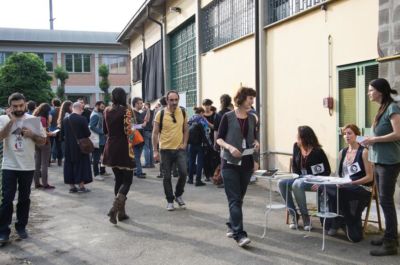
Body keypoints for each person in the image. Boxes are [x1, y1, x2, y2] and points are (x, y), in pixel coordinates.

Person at [0, 93, 46, 244]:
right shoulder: (3, 119)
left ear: (25, 104)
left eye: (21, 105)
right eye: (15, 106)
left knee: (24, 198)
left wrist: (32, 134)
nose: (18, 108)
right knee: (7, 200)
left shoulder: (33, 120)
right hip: (9, 165)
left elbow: (43, 141)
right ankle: (3, 231)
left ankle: (21, 227)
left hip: (27, 166)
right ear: (10, 106)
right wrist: (11, 122)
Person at [216, 86, 259, 247]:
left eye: (253, 98)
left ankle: (231, 224)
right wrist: (230, 147)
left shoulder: (252, 118)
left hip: (246, 163)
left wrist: (256, 149)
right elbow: (219, 139)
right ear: (241, 99)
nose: (252, 101)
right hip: (229, 163)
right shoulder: (227, 117)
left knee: (238, 199)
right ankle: (239, 234)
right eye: (250, 98)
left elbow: (253, 138)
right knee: (234, 199)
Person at [361, 78, 400, 256]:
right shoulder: (382, 108)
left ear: (380, 91)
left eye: (371, 90)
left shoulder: (392, 107)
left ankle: (391, 243)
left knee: (386, 201)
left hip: (389, 163)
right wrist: (369, 143)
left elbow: (398, 134)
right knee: (384, 201)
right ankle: (389, 236)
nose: (369, 93)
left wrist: (374, 139)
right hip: (379, 161)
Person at [324, 124, 373, 242]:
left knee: (340, 191)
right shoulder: (343, 152)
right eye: (345, 134)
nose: (346, 136)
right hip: (344, 186)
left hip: (361, 187)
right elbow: (338, 174)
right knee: (325, 187)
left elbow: (369, 177)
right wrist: (336, 181)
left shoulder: (364, 152)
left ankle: (340, 221)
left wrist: (353, 183)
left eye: (350, 133)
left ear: (357, 135)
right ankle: (337, 219)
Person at [278, 126, 331, 231]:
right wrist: (296, 176)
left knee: (297, 184)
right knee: (281, 182)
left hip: (313, 181)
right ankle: (294, 214)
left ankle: (305, 217)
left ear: (305, 138)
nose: (297, 138)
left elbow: (327, 171)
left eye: (299, 136)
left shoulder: (317, 152)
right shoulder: (296, 147)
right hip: (299, 177)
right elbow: (295, 166)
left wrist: (320, 183)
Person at [102, 87, 136, 224]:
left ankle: (121, 213)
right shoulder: (126, 111)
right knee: (127, 181)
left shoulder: (106, 110)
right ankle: (115, 209)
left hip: (110, 147)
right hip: (124, 148)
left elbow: (105, 130)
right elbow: (129, 132)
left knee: (118, 180)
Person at [152, 90, 188, 211]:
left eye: (176, 100)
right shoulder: (160, 114)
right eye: (171, 100)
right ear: (167, 101)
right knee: (166, 177)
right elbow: (155, 133)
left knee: (183, 173)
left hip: (179, 150)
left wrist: (184, 143)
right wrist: (155, 151)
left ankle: (178, 195)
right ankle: (170, 200)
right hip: (165, 150)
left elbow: (186, 130)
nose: (174, 102)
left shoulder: (182, 112)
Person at [62, 102, 92, 193]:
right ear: (79, 108)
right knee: (81, 165)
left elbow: (62, 134)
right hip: (80, 146)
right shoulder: (82, 119)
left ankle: (72, 186)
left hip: (68, 146)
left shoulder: (65, 119)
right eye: (82, 108)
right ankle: (81, 186)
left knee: (69, 165)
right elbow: (88, 133)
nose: (82, 110)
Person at [33, 103, 55, 189]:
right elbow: (44, 132)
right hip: (45, 142)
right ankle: (45, 183)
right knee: (44, 164)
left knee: (37, 163)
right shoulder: (43, 119)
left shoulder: (34, 117)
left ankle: (37, 183)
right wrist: (52, 133)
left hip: (36, 142)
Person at [187, 106, 211, 186]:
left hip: (191, 144)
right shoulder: (202, 120)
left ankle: (190, 179)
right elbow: (207, 132)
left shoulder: (190, 120)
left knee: (191, 161)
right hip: (200, 144)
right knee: (200, 162)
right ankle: (198, 180)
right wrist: (209, 143)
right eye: (203, 113)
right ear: (201, 113)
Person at [213, 94, 233, 188]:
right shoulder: (232, 113)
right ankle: (230, 181)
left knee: (223, 162)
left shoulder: (218, 114)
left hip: (222, 141)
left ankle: (224, 181)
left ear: (221, 102)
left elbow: (216, 131)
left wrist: (215, 143)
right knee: (231, 161)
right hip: (232, 140)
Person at [89, 101, 108, 181]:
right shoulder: (95, 115)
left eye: (104, 107)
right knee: (96, 158)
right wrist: (102, 132)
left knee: (102, 157)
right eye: (102, 107)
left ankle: (102, 171)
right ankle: (96, 174)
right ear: (97, 106)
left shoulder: (98, 113)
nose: (103, 109)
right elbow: (91, 126)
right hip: (98, 140)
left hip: (101, 139)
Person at [202, 99, 218, 182]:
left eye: (208, 105)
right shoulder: (200, 115)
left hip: (212, 139)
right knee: (205, 158)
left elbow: (215, 127)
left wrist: (206, 121)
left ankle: (212, 174)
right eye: (205, 105)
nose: (207, 107)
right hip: (203, 139)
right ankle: (206, 175)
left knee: (213, 157)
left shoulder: (215, 115)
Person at [132, 97, 147, 178]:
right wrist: (142, 125)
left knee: (137, 156)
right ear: (135, 104)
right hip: (136, 138)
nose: (141, 105)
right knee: (137, 156)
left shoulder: (140, 113)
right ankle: (139, 172)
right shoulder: (132, 113)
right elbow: (131, 126)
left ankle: (137, 170)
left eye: (142, 103)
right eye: (140, 103)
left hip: (141, 138)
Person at [49, 98, 62, 166]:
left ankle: (48, 161)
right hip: (59, 130)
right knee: (59, 146)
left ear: (53, 104)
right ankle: (59, 161)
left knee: (50, 145)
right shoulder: (62, 111)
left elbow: (50, 121)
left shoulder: (52, 111)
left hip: (52, 130)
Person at [143, 102, 155, 168]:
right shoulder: (153, 112)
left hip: (146, 131)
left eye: (144, 105)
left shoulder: (144, 112)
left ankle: (147, 164)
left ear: (146, 106)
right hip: (152, 131)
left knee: (146, 148)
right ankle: (152, 163)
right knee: (151, 148)